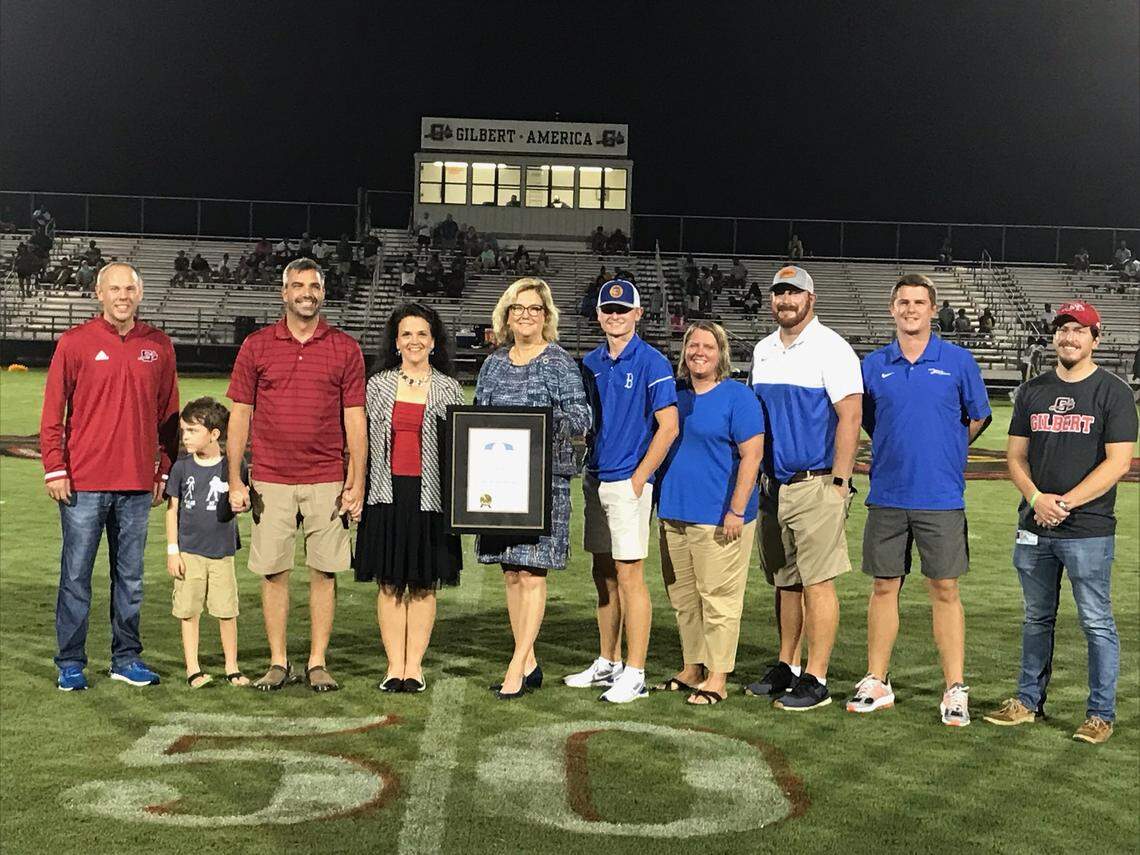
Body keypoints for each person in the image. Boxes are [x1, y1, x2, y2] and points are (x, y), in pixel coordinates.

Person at [984, 301, 1138, 744]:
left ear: (1096, 337)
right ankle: (1028, 702)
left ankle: (1100, 714)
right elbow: (1014, 456)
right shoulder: (1033, 391)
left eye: (1079, 331)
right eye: (1063, 330)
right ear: (1054, 337)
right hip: (1034, 523)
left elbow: (1119, 463)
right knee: (1036, 619)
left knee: (1096, 622)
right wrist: (1036, 498)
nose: (1069, 338)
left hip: (1087, 528)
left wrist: (1062, 503)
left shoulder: (1113, 391)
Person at [848, 274, 991, 726]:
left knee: (945, 588)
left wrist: (944, 452)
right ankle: (877, 678)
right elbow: (869, 419)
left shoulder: (958, 361)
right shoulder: (873, 365)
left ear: (933, 310)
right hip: (888, 493)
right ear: (892, 309)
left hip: (941, 495)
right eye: (903, 302)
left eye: (919, 302)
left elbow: (978, 418)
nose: (911, 309)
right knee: (884, 586)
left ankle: (954, 688)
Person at [226, 258, 367, 693]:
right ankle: (278, 661)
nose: (307, 292)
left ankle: (318, 661)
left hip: (326, 476)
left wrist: (356, 479)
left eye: (314, 285)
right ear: (284, 293)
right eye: (298, 285)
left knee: (324, 573)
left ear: (323, 293)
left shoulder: (345, 348)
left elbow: (355, 420)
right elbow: (240, 416)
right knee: (274, 572)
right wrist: (236, 478)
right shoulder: (257, 345)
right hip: (270, 478)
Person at [41, 262, 180, 691]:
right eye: (114, 289)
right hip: (83, 482)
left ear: (140, 295)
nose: (122, 296)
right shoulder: (75, 342)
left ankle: (125, 657)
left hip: (137, 484)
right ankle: (70, 661)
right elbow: (53, 411)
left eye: (129, 289)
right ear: (98, 294)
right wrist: (55, 466)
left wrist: (164, 468)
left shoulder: (159, 345)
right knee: (76, 576)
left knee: (131, 579)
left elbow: (169, 414)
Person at [745, 265, 862, 710]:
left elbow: (851, 416)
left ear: (811, 300)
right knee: (784, 582)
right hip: (773, 486)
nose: (785, 301)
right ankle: (787, 664)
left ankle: (817, 676)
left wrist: (840, 482)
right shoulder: (763, 349)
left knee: (818, 583)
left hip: (815, 483)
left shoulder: (832, 348)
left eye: (794, 294)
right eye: (779, 294)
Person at [476, 278, 592, 699]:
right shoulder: (493, 364)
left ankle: (515, 665)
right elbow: (478, 419)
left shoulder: (559, 362)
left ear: (546, 316)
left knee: (532, 571)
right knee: (510, 571)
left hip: (543, 483)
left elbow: (581, 418)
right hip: (498, 485)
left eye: (533, 308)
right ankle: (529, 662)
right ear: (506, 316)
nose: (525, 315)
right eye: (517, 308)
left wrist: (537, 431)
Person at [565, 279, 679, 703]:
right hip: (596, 477)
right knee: (603, 574)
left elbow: (669, 426)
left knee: (631, 576)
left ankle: (636, 671)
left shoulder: (652, 361)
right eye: (608, 310)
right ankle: (608, 661)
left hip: (628, 480)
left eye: (622, 310)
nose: (615, 317)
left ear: (637, 314)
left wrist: (640, 477)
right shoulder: (590, 361)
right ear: (598, 315)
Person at [355, 303, 464, 693]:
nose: (414, 341)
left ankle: (413, 667)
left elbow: (460, 450)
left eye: (422, 334)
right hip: (386, 494)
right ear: (396, 341)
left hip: (431, 497)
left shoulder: (450, 387)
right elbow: (362, 442)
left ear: (434, 342)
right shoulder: (378, 384)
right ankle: (393, 666)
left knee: (422, 583)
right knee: (389, 583)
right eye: (406, 334)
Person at [656, 321, 763, 705]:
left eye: (708, 346)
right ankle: (692, 666)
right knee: (683, 597)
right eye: (692, 345)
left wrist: (736, 509)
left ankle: (717, 676)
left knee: (718, 598)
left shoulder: (738, 397)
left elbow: (753, 456)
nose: (699, 352)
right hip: (674, 512)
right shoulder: (675, 396)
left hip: (719, 516)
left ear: (721, 353)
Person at [165, 398, 251, 689]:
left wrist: (243, 502)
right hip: (189, 552)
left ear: (214, 434)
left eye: (192, 430)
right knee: (189, 611)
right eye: (184, 431)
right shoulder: (181, 467)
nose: (185, 436)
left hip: (222, 553)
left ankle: (232, 667)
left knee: (227, 611)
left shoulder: (233, 465)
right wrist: (172, 550)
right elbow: (172, 510)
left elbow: (245, 498)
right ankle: (193, 668)